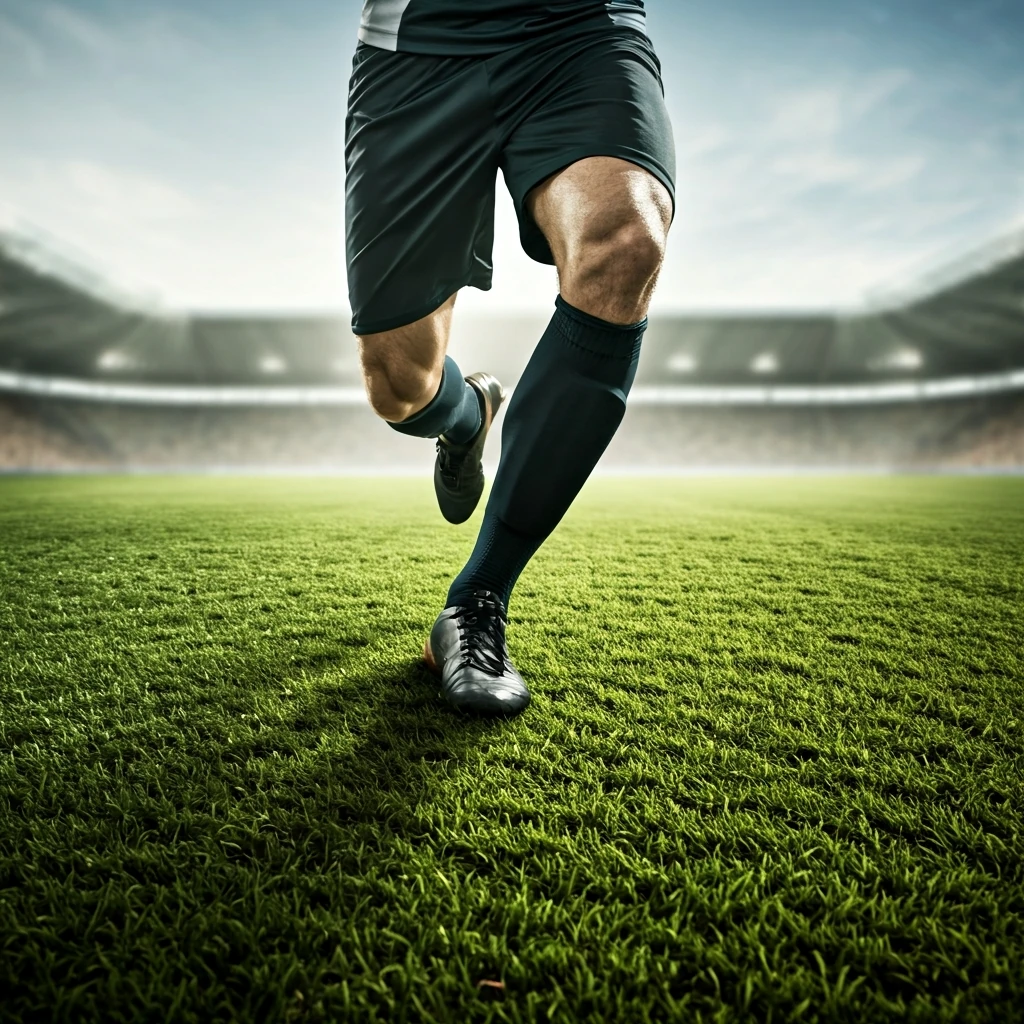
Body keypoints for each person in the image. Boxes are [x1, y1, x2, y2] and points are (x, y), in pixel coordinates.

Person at [347, 0, 675, 715]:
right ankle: (467, 415)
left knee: (627, 240)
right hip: (418, 44)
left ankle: (476, 601)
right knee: (399, 386)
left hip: (583, 31)